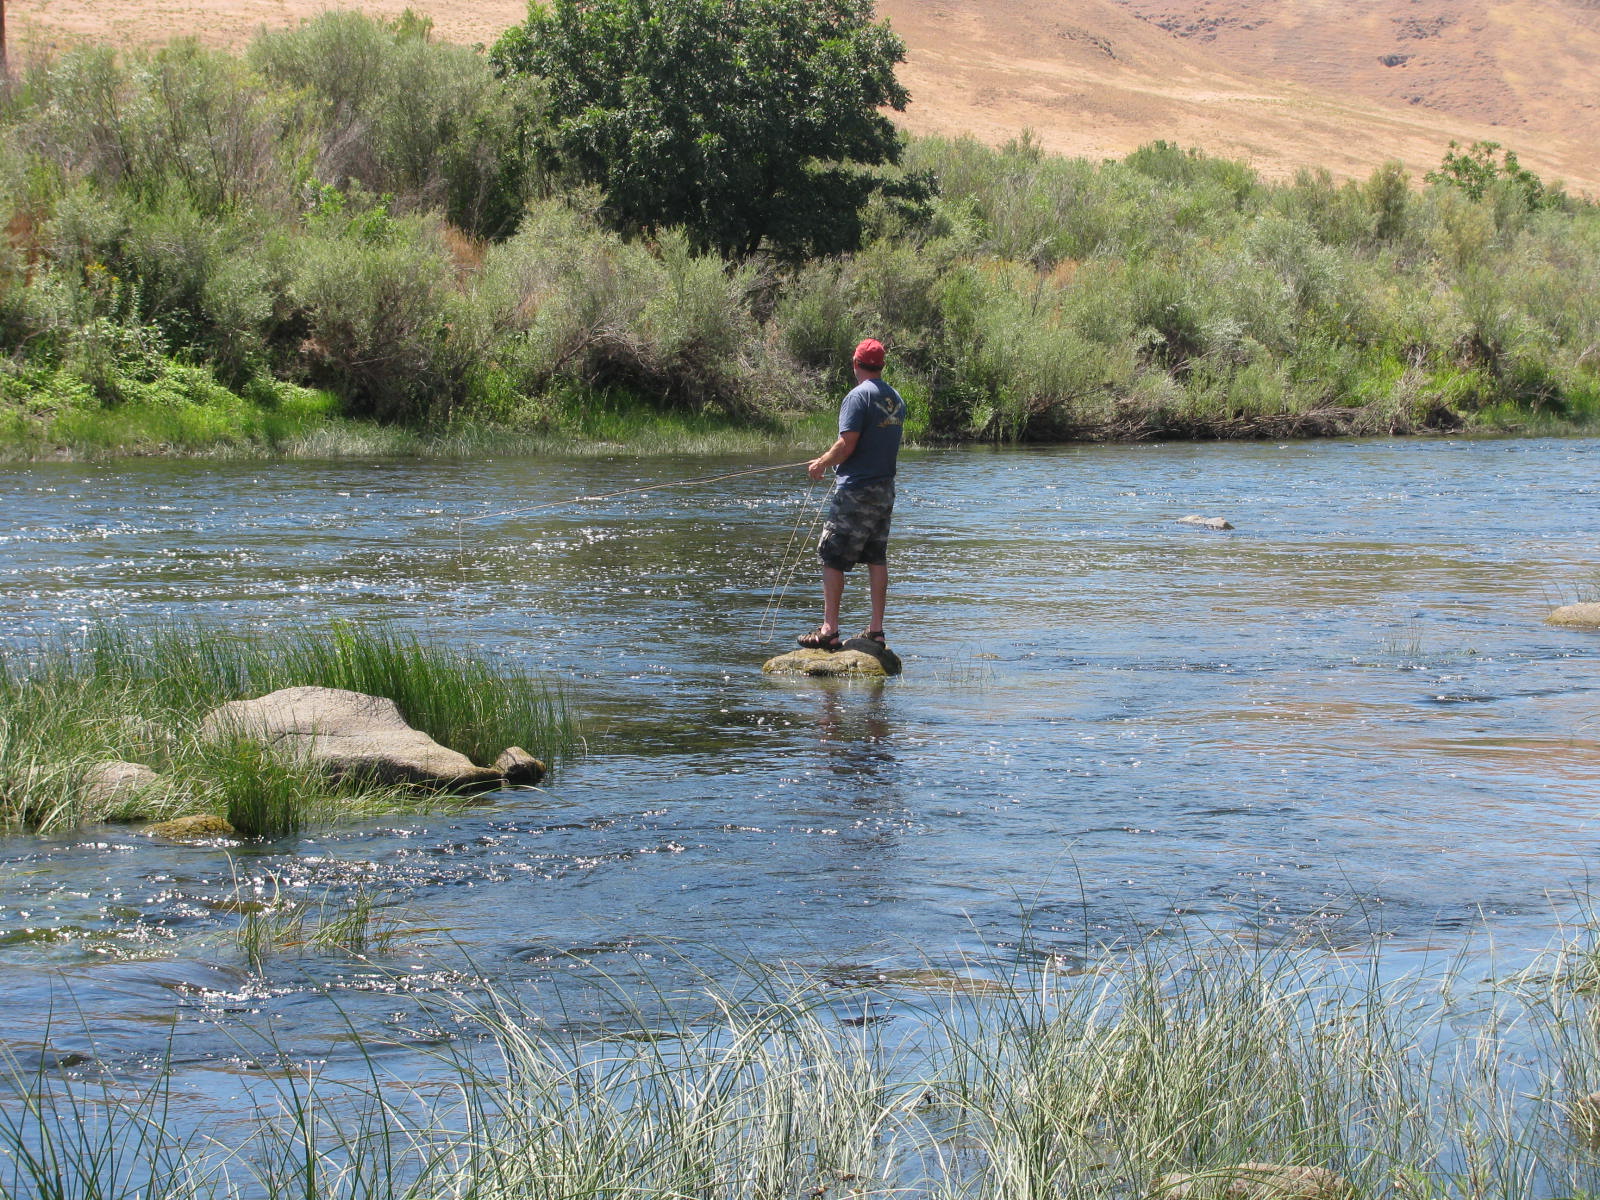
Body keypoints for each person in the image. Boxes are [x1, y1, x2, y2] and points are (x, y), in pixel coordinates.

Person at [798, 338, 906, 651]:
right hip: (885, 489)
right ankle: (876, 631)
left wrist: (820, 463)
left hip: (856, 489)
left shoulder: (857, 397)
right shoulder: (896, 399)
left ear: (855, 363)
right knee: (876, 555)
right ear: (881, 365)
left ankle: (829, 630)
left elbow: (848, 444)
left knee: (831, 554)